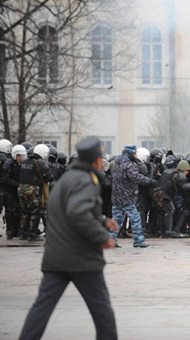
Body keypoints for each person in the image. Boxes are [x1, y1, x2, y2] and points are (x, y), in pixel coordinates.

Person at [19, 137, 118, 340]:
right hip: (81, 260)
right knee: (102, 311)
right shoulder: (86, 180)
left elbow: (71, 210)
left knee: (42, 308)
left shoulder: (67, 178)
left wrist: (101, 221)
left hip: (56, 257)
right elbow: (78, 213)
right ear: (97, 160)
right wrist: (103, 237)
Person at [110, 145, 156, 248]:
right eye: (135, 153)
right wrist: (149, 181)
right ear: (131, 154)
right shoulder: (130, 164)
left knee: (116, 220)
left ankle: (111, 240)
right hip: (127, 197)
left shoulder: (117, 163)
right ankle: (139, 241)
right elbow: (135, 177)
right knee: (135, 219)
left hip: (116, 197)